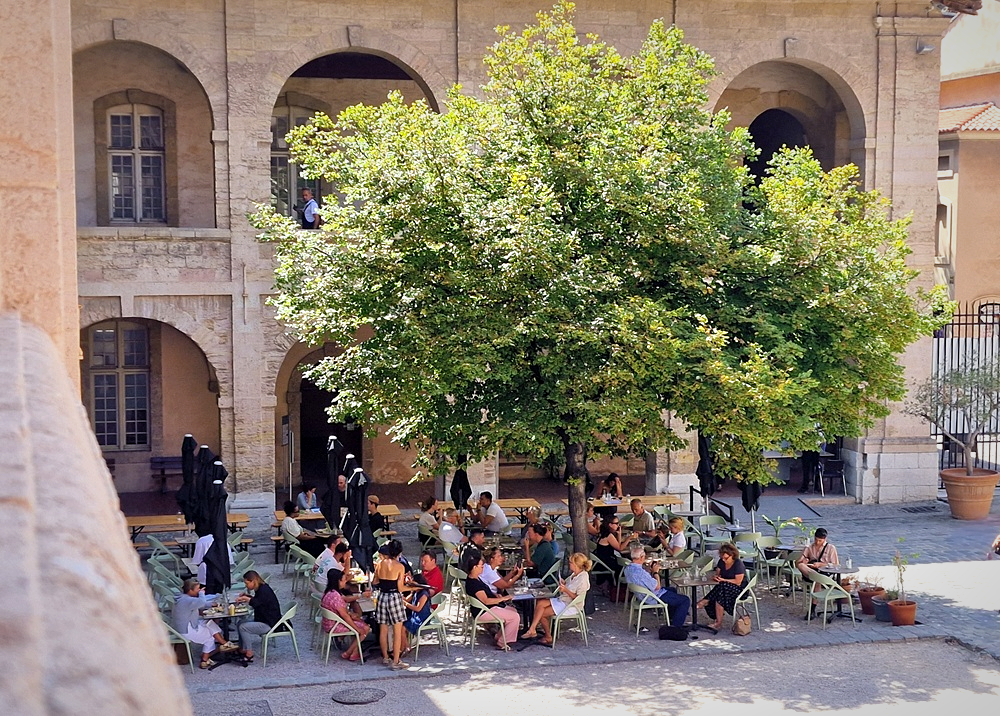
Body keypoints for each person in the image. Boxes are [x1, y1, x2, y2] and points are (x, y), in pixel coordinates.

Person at [521, 552, 591, 644]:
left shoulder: (583, 578)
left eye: (571, 563)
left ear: (576, 565)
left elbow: (578, 597)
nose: (569, 564)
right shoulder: (574, 574)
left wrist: (566, 590)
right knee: (540, 603)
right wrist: (563, 583)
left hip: (571, 605)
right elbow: (568, 585)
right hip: (563, 599)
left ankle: (547, 636)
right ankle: (533, 629)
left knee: (541, 614)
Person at [172, 578, 239, 669]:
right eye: (197, 589)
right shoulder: (187, 601)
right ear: (191, 590)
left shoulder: (183, 598)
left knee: (209, 622)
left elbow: (200, 604)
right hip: (186, 630)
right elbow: (201, 602)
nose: (199, 591)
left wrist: (212, 604)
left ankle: (223, 644)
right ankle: (205, 659)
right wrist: (202, 594)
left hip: (184, 627)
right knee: (210, 636)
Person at [623, 545, 690, 627]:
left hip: (641, 594)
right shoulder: (640, 573)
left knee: (672, 590)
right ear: (641, 557)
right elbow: (657, 586)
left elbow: (644, 581)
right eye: (644, 556)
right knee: (685, 600)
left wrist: (649, 570)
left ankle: (672, 618)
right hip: (652, 596)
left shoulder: (627, 569)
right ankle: (676, 626)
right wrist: (655, 572)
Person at [463, 553, 520, 650]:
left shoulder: (475, 578)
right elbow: (486, 601)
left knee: (513, 611)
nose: (482, 568)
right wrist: (502, 598)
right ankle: (503, 643)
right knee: (515, 617)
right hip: (483, 611)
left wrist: (496, 596)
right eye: (481, 566)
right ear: (474, 567)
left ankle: (499, 637)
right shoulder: (474, 584)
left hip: (486, 608)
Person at [372, 539, 409, 669]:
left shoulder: (380, 563)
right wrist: (414, 589)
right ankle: (396, 661)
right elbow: (401, 588)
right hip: (394, 597)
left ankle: (385, 657)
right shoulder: (400, 566)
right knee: (397, 630)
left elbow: (375, 581)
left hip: (382, 596)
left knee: (383, 629)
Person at [321, 568, 370, 662]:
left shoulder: (329, 592)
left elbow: (345, 600)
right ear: (338, 581)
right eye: (343, 580)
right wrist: (356, 628)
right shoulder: (335, 596)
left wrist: (361, 595)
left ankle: (354, 653)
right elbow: (345, 616)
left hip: (329, 622)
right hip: (335, 625)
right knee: (365, 629)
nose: (345, 582)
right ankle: (348, 652)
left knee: (358, 620)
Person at [696, 542, 747, 631]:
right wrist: (717, 577)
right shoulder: (721, 562)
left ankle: (705, 600)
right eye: (722, 558)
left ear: (733, 555)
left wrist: (723, 580)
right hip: (724, 588)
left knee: (723, 586)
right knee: (721, 594)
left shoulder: (738, 564)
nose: (724, 560)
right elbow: (718, 573)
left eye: (726, 558)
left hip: (739, 589)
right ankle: (718, 622)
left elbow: (738, 582)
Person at [234, 571, 282, 663]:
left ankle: (249, 653)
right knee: (240, 622)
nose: (246, 586)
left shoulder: (263, 590)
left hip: (269, 624)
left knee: (243, 627)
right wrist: (248, 596)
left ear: (253, 581)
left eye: (247, 583)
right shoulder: (261, 588)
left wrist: (246, 599)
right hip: (263, 619)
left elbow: (256, 603)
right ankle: (242, 648)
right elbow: (259, 601)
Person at [592, 517, 632, 591]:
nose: (618, 525)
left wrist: (619, 534)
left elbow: (617, 545)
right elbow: (620, 548)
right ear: (610, 524)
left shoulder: (603, 533)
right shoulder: (609, 536)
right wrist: (629, 538)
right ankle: (621, 587)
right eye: (616, 523)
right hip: (606, 562)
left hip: (601, 560)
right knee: (625, 565)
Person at [402, 572, 433, 641]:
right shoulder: (416, 592)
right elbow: (407, 599)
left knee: (402, 629)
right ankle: (406, 644)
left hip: (421, 618)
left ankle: (406, 647)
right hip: (414, 616)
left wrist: (406, 604)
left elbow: (418, 609)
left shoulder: (424, 594)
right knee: (400, 623)